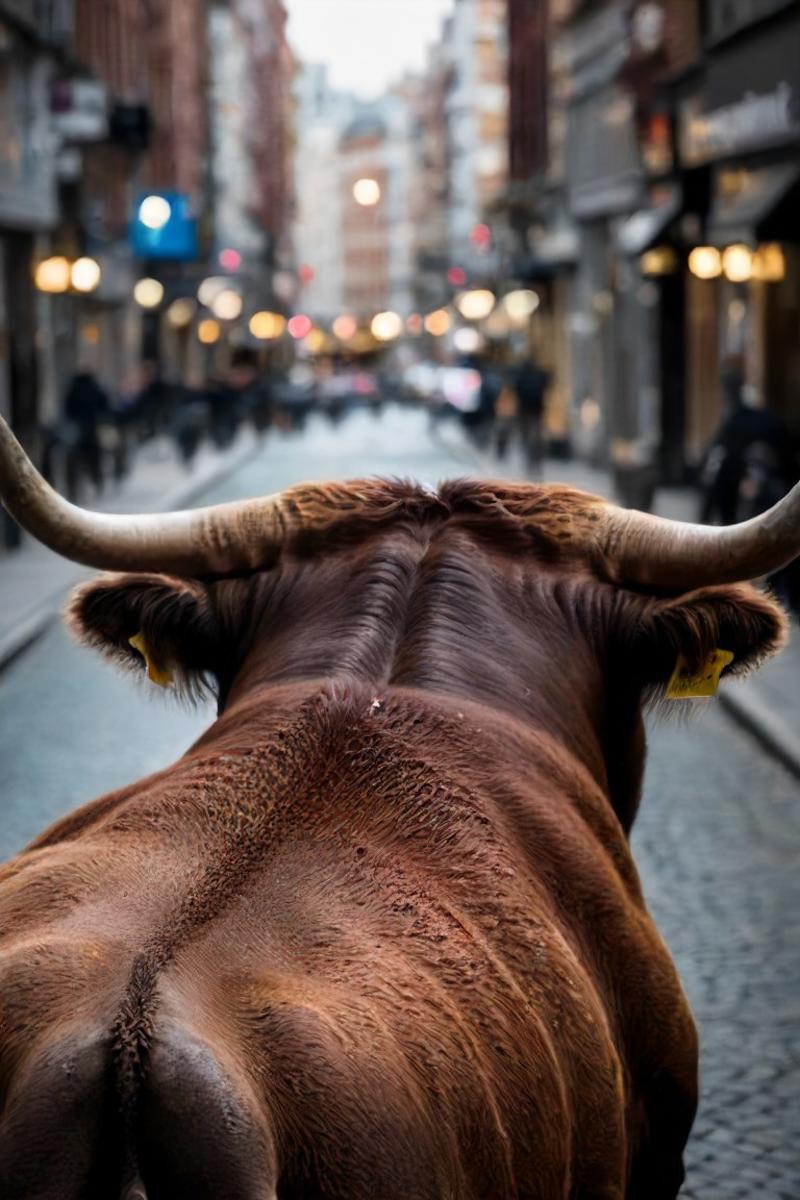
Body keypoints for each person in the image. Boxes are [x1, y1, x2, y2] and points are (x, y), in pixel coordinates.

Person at [63, 367, 110, 495]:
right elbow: (105, 405)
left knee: (77, 461)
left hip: (79, 431)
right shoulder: (95, 387)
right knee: (94, 460)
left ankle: (75, 490)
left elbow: (68, 409)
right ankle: (97, 483)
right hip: (92, 430)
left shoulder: (74, 388)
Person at [514, 355, 550, 471]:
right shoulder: (539, 375)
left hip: (524, 410)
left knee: (527, 435)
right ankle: (536, 459)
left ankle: (530, 458)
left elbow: (516, 389)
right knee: (536, 436)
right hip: (537, 410)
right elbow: (546, 385)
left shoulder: (521, 375)